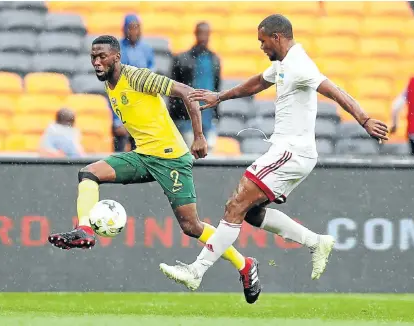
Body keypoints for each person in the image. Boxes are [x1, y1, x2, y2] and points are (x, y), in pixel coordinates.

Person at [159, 15, 389, 293]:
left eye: (263, 41)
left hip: (291, 152)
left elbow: (334, 91)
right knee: (252, 213)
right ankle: (316, 242)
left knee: (235, 205)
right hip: (290, 152)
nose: (261, 47)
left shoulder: (300, 65)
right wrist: (219, 97)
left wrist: (364, 120)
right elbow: (257, 82)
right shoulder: (282, 64)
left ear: (277, 37)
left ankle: (197, 270)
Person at [47, 35, 260, 304]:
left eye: (102, 56)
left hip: (171, 158)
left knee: (191, 226)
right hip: (143, 155)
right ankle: (86, 231)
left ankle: (245, 265)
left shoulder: (137, 77)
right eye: (93, 57)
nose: (97, 62)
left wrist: (198, 136)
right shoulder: (111, 86)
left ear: (116, 57)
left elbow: (187, 93)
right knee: (89, 173)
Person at [169, 22, 221, 151]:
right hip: (188, 117)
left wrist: (216, 114)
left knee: (209, 158)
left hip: (208, 117)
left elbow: (217, 87)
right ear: (195, 34)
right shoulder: (182, 59)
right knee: (190, 154)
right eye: (201, 33)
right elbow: (173, 88)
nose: (203, 37)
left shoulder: (214, 59)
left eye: (206, 34)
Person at [112, 14, 155, 152]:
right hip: (123, 101)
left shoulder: (146, 50)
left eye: (137, 28)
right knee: (119, 154)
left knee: (141, 151)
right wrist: (118, 121)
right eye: (131, 28)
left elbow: (151, 77)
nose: (134, 31)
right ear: (124, 29)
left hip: (140, 105)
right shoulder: (117, 49)